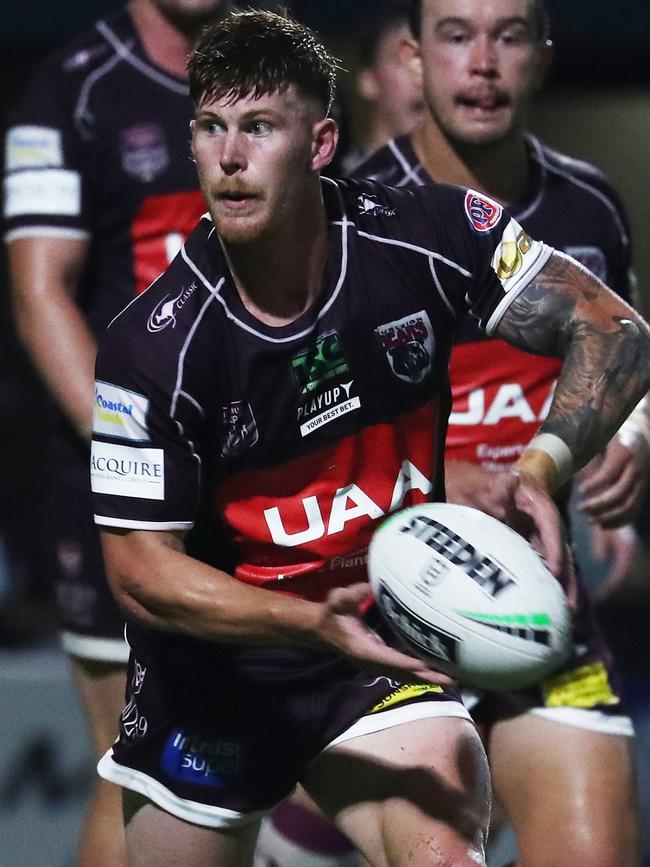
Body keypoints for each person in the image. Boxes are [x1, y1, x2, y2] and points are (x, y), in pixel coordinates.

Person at [89, 9, 650, 867]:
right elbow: (139, 571)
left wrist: (543, 465)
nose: (230, 157)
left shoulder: (427, 233)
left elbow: (615, 330)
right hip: (212, 681)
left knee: (441, 853)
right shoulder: (151, 345)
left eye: (260, 127)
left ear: (319, 143)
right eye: (211, 127)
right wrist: (308, 620)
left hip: (380, 655)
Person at [352, 0, 648, 864]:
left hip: (536, 591)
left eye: (509, 36)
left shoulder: (590, 206)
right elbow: (288, 429)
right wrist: (438, 473)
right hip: (378, 609)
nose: (482, 62)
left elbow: (623, 352)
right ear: (413, 57)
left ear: (543, 59)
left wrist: (626, 444)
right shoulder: (349, 216)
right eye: (455, 35)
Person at [3, 1, 231, 864]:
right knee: (137, 762)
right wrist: (143, 458)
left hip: (263, 477)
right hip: (125, 496)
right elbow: (39, 298)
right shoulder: (71, 91)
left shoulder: (278, 62)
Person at [342, 0, 426, 173]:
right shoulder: (332, 188)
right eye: (404, 60)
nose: (421, 74)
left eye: (429, 60)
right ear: (368, 80)